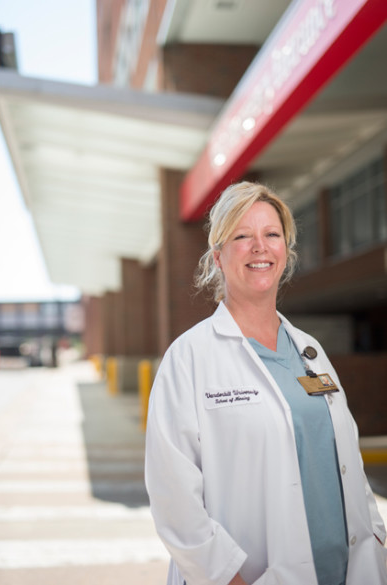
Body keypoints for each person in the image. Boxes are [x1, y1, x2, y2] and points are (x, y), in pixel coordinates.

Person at [145, 181, 387, 585]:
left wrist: (376, 540)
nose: (260, 247)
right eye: (243, 236)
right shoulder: (189, 358)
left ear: (285, 252)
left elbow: (348, 466)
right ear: (218, 256)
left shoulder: (310, 351)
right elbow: (174, 498)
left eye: (271, 235)